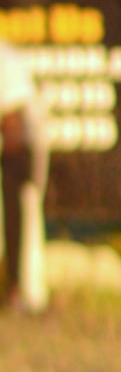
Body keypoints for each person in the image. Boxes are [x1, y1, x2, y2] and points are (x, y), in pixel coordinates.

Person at [0, 38, 47, 312]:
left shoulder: (4, 61)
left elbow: (14, 130)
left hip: (19, 151)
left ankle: (19, 291)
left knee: (20, 208)